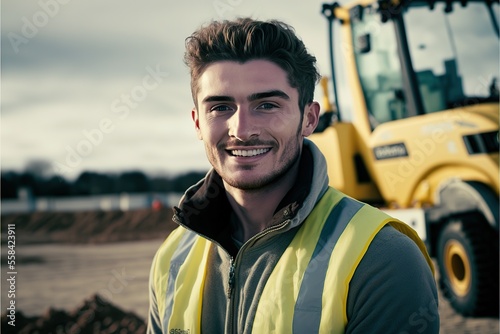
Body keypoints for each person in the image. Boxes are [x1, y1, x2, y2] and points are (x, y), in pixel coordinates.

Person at [147, 18, 439, 334]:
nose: (242, 131)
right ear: (197, 123)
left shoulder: (382, 258)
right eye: (220, 107)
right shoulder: (172, 258)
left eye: (267, 105)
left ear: (309, 118)